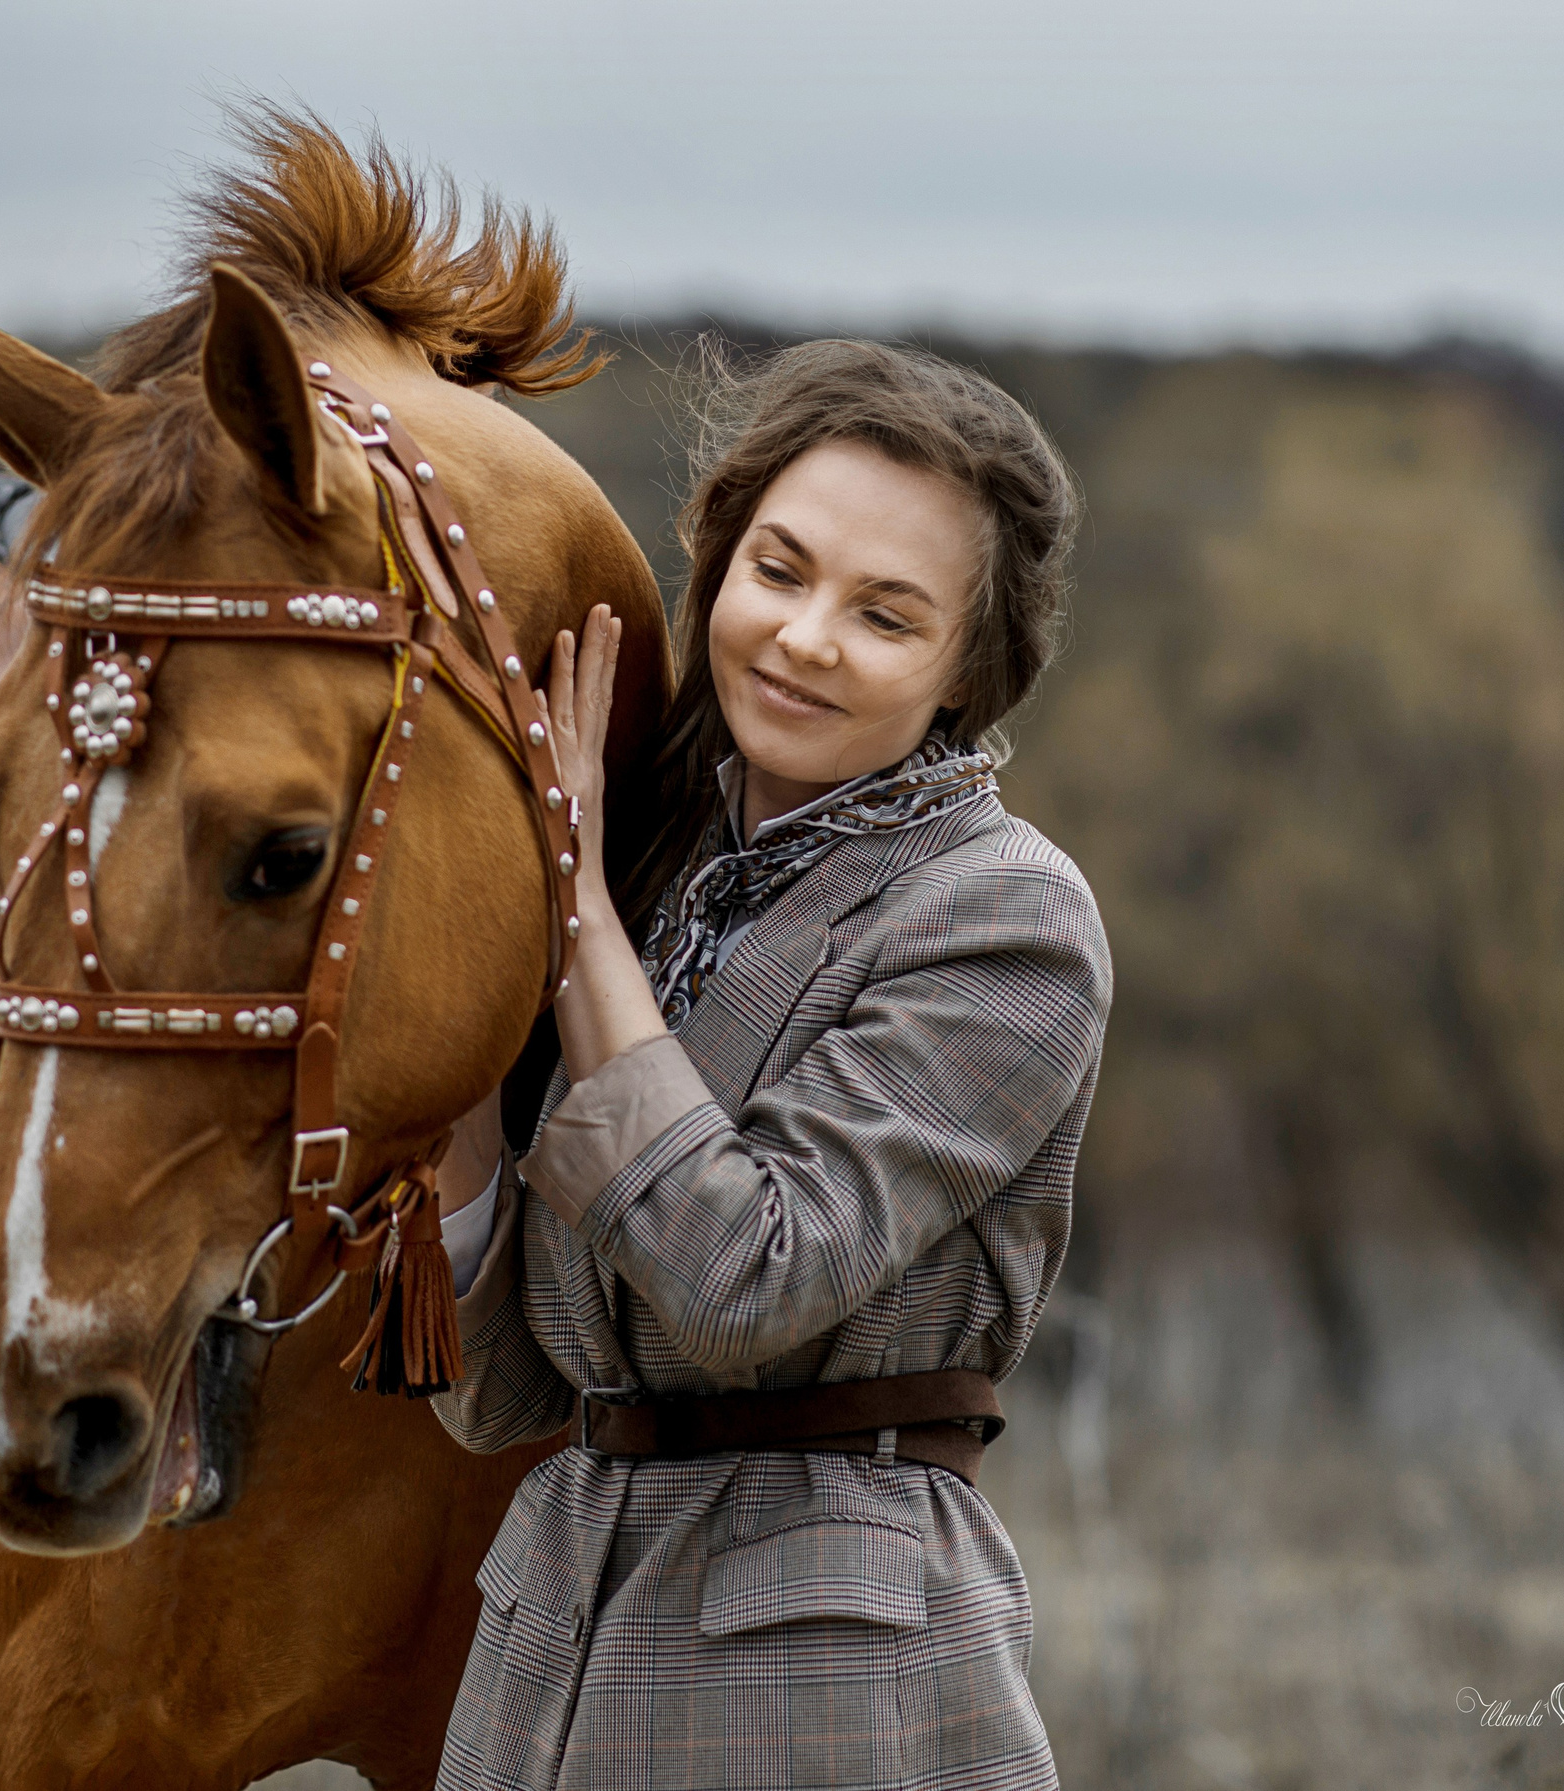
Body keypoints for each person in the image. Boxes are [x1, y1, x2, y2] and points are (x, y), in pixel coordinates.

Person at [428, 338, 1110, 1791]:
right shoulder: (655, 861)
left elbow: (751, 1277)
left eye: (886, 614)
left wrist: (568, 918)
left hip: (825, 1679)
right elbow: (496, 1399)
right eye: (780, 571)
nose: (804, 637)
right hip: (541, 1658)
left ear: (966, 674)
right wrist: (457, 1047)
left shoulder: (1006, 914)